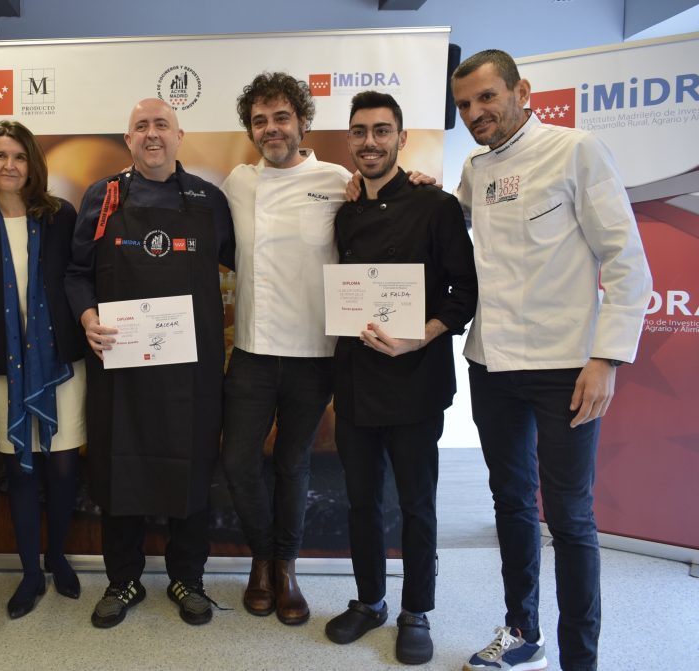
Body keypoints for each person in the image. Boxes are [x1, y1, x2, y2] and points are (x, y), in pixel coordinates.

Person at [451, 50, 652, 671]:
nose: (476, 113)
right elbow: (449, 220)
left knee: (569, 517)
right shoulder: (474, 169)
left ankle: (580, 660)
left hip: (566, 366)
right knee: (511, 504)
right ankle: (522, 634)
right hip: (491, 363)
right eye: (464, 105)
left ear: (522, 91)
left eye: (487, 97)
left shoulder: (576, 150)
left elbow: (626, 260)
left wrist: (607, 358)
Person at [65, 98, 235, 628]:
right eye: (141, 126)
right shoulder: (103, 196)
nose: (152, 134)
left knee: (193, 468)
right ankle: (123, 580)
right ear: (128, 140)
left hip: (192, 368)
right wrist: (87, 317)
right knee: (119, 468)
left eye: (162, 124)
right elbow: (76, 272)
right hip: (121, 364)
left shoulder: (209, 199)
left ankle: (188, 578)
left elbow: (247, 262)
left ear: (180, 136)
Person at [324, 91, 477, 665]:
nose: (370, 142)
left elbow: (465, 292)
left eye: (381, 131)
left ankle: (416, 610)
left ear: (401, 138)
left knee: (416, 503)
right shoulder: (345, 212)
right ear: (350, 140)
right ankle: (370, 601)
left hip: (415, 378)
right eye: (360, 132)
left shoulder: (435, 205)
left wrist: (423, 334)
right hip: (356, 378)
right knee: (360, 501)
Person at [220, 71, 352, 626]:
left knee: (294, 463)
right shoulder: (238, 182)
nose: (271, 129)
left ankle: (286, 567)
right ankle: (262, 557)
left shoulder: (338, 180)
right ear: (250, 130)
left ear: (302, 121)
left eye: (281, 117)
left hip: (314, 351)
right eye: (260, 121)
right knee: (238, 461)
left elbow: (382, 214)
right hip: (252, 349)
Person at [0, 121, 87, 620]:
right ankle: (30, 571)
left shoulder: (61, 216)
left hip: (60, 365)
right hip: (3, 368)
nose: (9, 165)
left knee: (62, 465)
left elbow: (79, 278)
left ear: (32, 163)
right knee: (19, 468)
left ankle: (58, 558)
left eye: (18, 156)